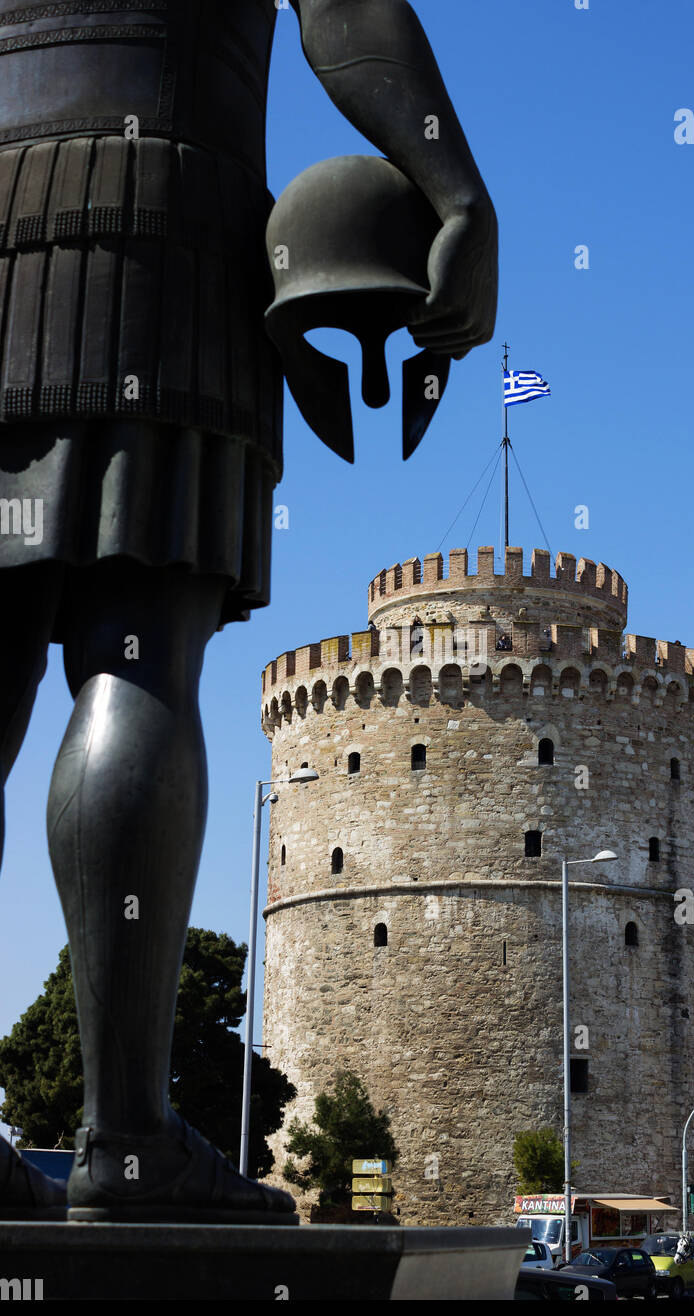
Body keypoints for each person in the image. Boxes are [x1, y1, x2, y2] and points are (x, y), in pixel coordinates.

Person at [0, 0, 497, 1220]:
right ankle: (125, 1145)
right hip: (153, 224)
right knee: (134, 655)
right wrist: (457, 191)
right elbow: (346, 11)